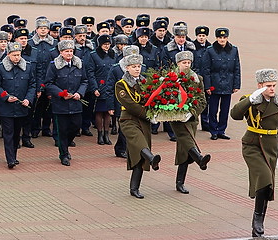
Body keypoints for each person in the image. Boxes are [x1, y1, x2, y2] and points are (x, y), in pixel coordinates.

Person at [230, 68, 278, 237]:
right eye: (268, 85)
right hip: (252, 145)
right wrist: (249, 100)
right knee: (264, 178)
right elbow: (234, 115)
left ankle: (259, 221)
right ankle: (257, 219)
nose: (272, 89)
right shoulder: (250, 100)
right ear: (260, 85)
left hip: (271, 147)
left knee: (268, 185)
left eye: (274, 85)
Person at [115, 53, 161, 199]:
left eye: (138, 66)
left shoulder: (145, 82)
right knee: (140, 145)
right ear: (127, 68)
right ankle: (152, 158)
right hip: (128, 120)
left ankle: (134, 188)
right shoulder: (121, 84)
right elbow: (130, 104)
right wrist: (147, 114)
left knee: (139, 157)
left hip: (144, 122)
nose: (137, 69)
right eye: (133, 67)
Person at [169, 51, 211, 194]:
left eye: (188, 63)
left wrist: (191, 112)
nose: (186, 65)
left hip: (191, 118)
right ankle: (199, 158)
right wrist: (174, 110)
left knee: (184, 149)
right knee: (186, 140)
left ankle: (180, 182)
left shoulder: (196, 78)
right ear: (178, 64)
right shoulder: (170, 78)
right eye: (183, 63)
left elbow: (202, 100)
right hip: (175, 118)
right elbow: (165, 96)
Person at [0, 42, 36, 169]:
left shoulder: (27, 66)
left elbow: (32, 84)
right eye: (14, 55)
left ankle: (14, 155)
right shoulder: (0, 67)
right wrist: (6, 97)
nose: (17, 57)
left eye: (19, 55)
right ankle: (10, 159)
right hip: (6, 107)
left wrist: (28, 99)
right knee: (8, 133)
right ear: (8, 54)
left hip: (21, 106)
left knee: (17, 133)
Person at [44, 40, 88, 166]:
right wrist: (61, 94)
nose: (69, 54)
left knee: (75, 126)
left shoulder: (79, 64)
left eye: (71, 51)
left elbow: (84, 81)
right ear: (61, 52)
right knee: (62, 130)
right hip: (61, 104)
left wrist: (80, 93)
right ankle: (63, 154)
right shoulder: (54, 65)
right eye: (66, 51)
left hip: (75, 102)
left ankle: (66, 145)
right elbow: (48, 83)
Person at [202, 27, 241, 140]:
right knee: (213, 110)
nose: (222, 40)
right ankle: (213, 131)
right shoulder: (210, 50)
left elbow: (237, 68)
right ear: (216, 38)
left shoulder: (234, 50)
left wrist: (236, 85)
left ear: (227, 38)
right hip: (214, 84)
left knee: (225, 110)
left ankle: (221, 130)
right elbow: (206, 70)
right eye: (220, 37)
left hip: (228, 84)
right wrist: (207, 86)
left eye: (224, 37)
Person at [86, 34, 116, 145]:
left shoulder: (114, 54)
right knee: (99, 111)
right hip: (99, 86)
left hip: (110, 87)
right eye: (104, 44)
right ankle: (99, 134)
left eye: (108, 44)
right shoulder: (93, 55)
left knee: (108, 112)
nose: (107, 46)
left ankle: (106, 135)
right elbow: (90, 73)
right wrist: (94, 88)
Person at [193, 26, 211, 131]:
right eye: (199, 36)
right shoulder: (193, 47)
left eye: (203, 36)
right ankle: (194, 122)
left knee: (205, 102)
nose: (201, 38)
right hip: (196, 78)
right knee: (195, 102)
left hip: (206, 79)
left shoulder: (210, 47)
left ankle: (205, 123)